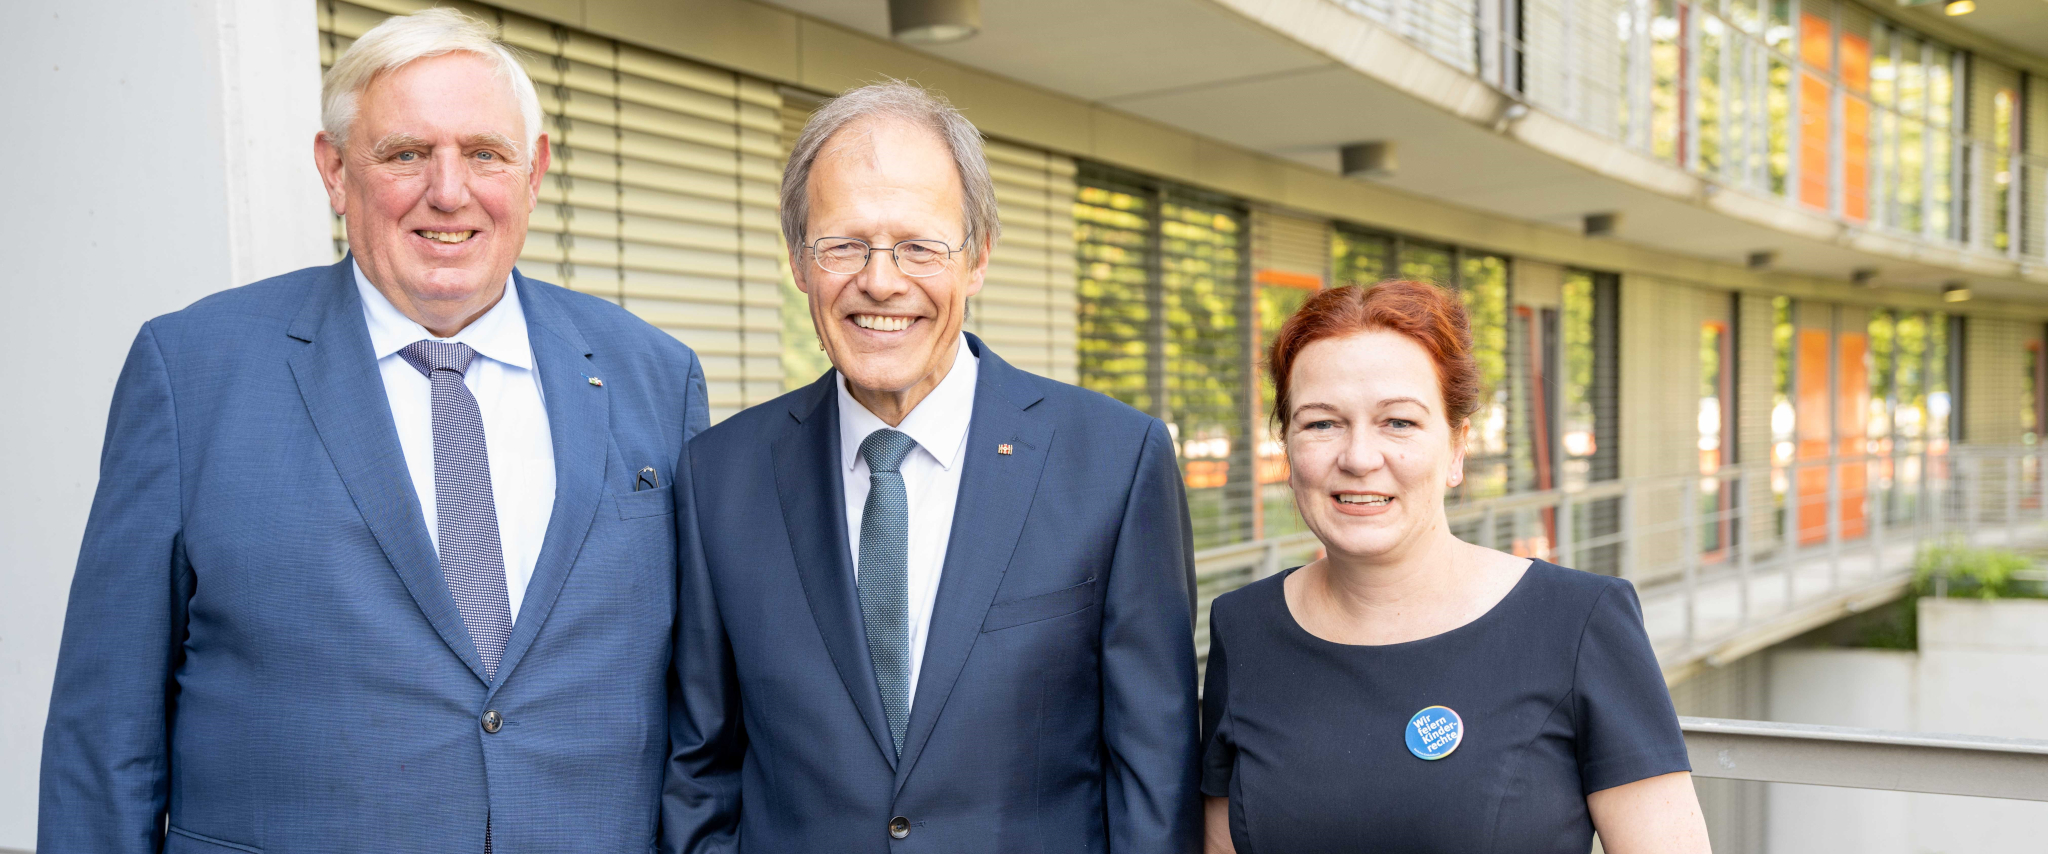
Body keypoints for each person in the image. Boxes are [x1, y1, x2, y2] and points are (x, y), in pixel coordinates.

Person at [38, 9, 707, 853]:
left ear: (534, 171)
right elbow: (104, 737)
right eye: (405, 154)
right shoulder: (191, 373)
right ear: (334, 170)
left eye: (485, 153)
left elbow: (703, 723)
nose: (449, 191)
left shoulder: (655, 376)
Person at [669, 81, 1202, 852]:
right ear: (798, 262)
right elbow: (702, 769)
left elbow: (1153, 774)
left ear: (977, 258)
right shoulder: (718, 477)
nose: (881, 281)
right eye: (844, 244)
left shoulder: (1116, 463)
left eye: (919, 245)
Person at [1199, 281, 1711, 854]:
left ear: (1457, 448)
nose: (1359, 458)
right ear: (1288, 450)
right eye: (1322, 423)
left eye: (1399, 422)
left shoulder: (1577, 622)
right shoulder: (1242, 629)